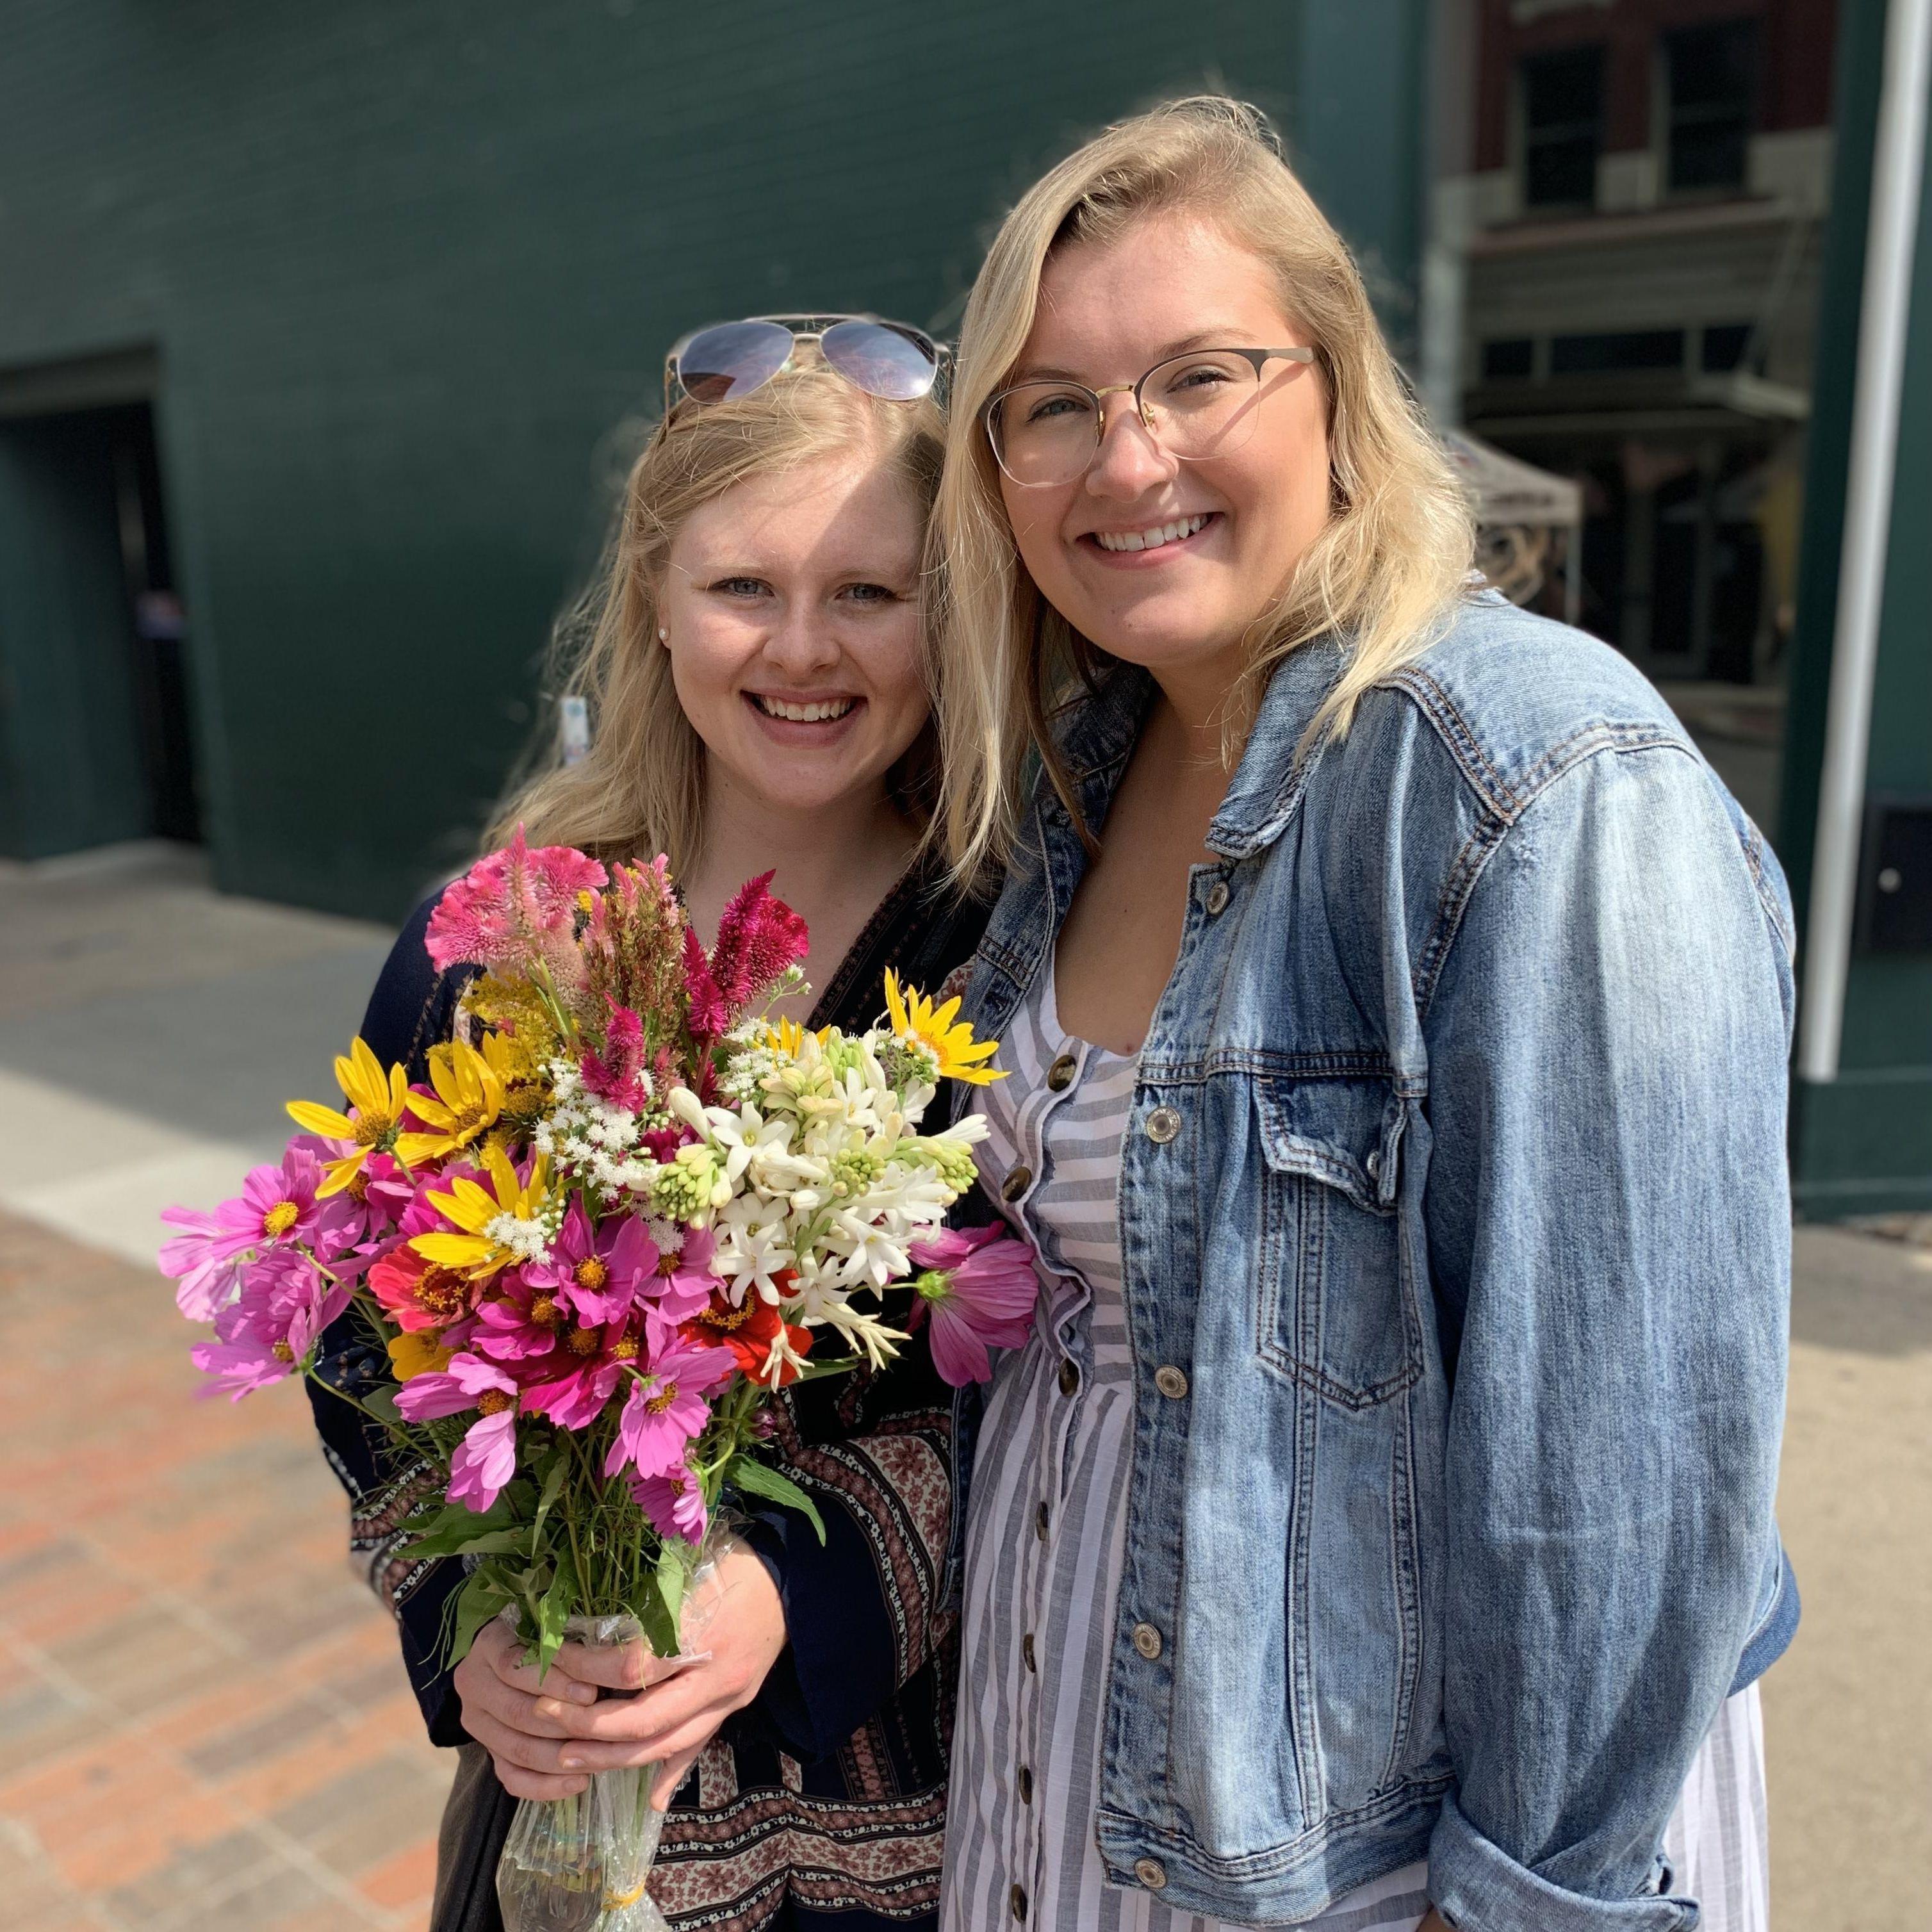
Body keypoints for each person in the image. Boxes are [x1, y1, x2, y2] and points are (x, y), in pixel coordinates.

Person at [926, 100, 1793, 1932]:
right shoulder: (1085, 770)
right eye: (1052, 406)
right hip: (1080, 1758)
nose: (1125, 457)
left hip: (1364, 1854)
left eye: (1196, 375)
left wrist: (1536, 1900)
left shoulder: (1540, 779)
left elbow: (1620, 1493)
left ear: (1336, 388)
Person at [307, 316, 994, 1932]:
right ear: (655, 602)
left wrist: (791, 1593)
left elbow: (1070, 1374)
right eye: (743, 587)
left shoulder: (1009, 947)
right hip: (568, 1797)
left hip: (923, 1822)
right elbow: (360, 1336)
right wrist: (464, 1625)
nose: (803, 652)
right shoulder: (497, 945)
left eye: (869, 594)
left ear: (945, 611)